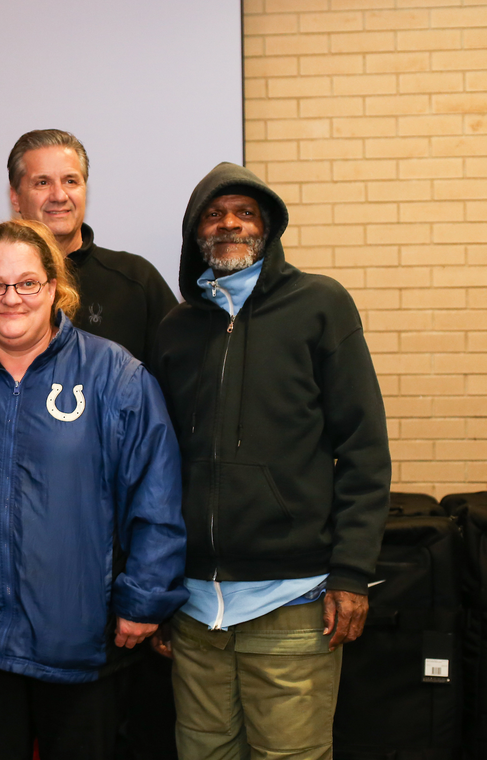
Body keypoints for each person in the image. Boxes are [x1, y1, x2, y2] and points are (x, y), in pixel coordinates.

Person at [0, 219, 186, 760]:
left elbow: (156, 495)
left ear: (55, 287)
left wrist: (145, 598)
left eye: (27, 283)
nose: (10, 298)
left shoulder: (116, 375)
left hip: (82, 640)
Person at [150, 163, 391, 760]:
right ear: (194, 232)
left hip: (296, 604)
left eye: (246, 212)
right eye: (214, 212)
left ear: (269, 228)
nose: (229, 222)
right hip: (194, 611)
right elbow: (153, 468)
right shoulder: (176, 329)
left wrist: (352, 572)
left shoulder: (320, 305)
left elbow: (363, 447)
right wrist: (151, 590)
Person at [0, 129, 176, 364]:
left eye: (71, 181)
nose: (59, 195)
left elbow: (176, 384)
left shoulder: (136, 280)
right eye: (42, 183)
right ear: (15, 197)